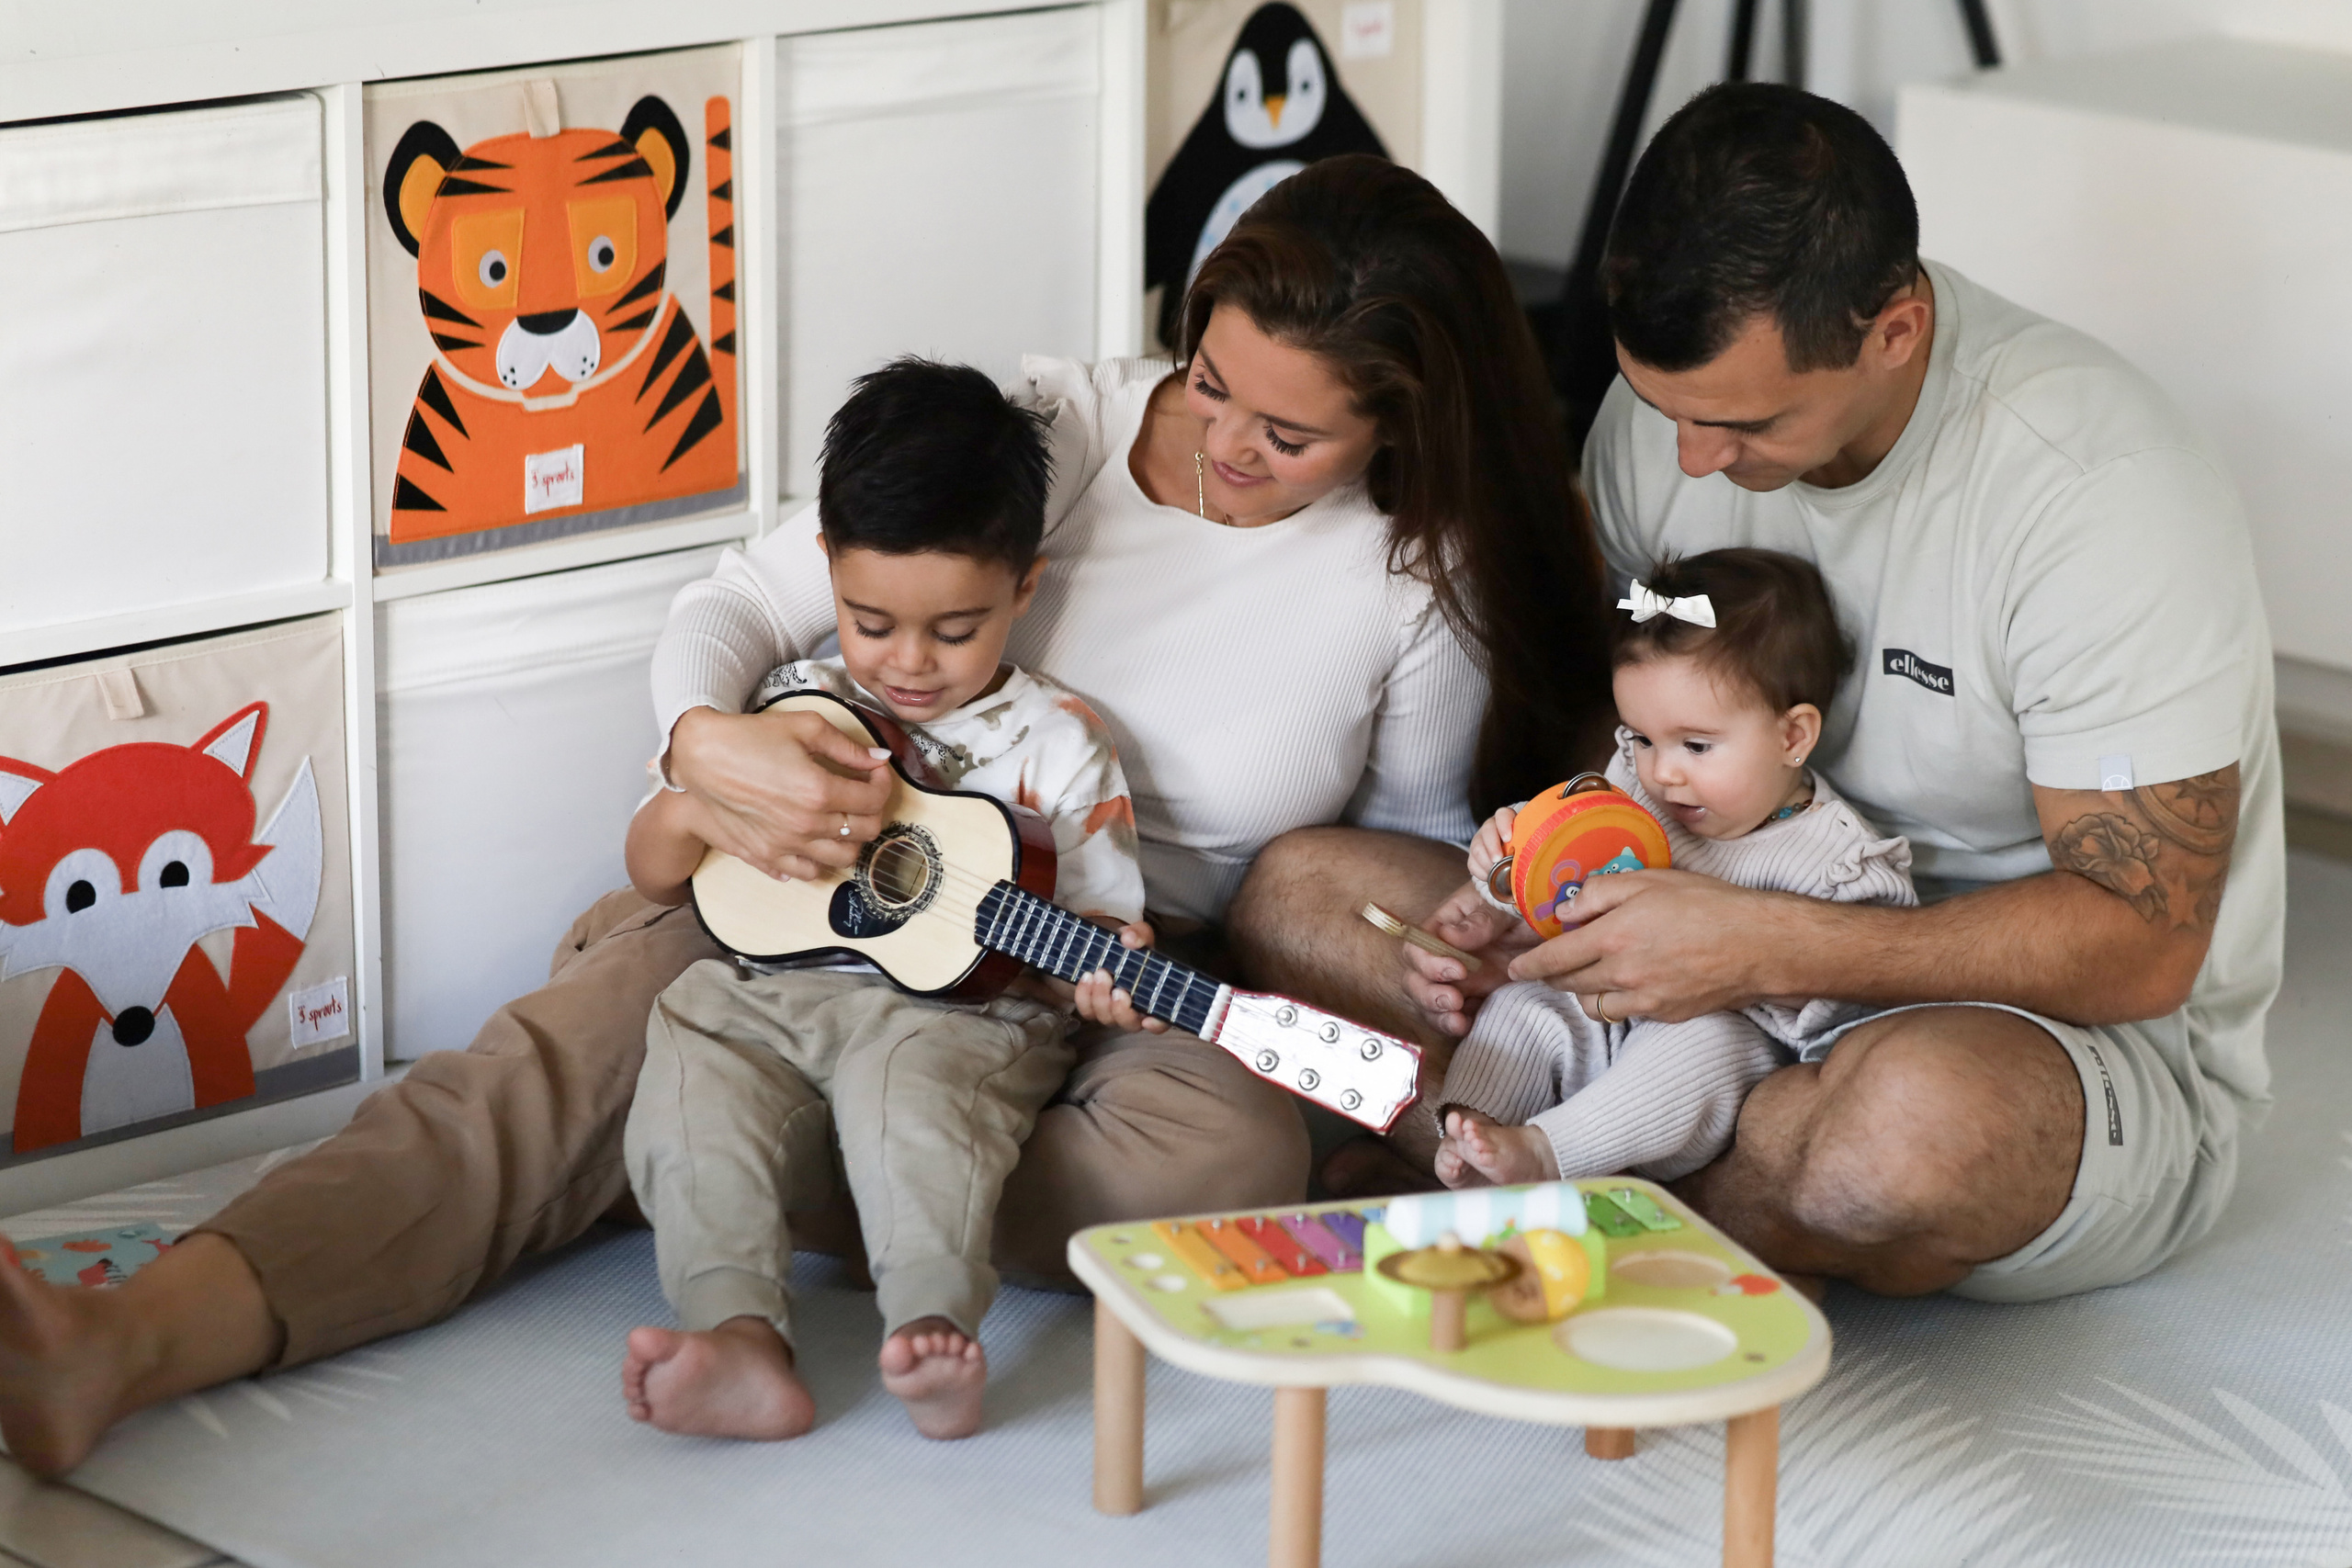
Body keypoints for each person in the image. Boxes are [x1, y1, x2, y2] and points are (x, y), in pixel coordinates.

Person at [0, 154, 1615, 1478]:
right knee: (557, 1057)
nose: (1223, 445)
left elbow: (1379, 863)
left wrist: (1415, 960)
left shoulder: (1419, 577)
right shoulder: (1048, 432)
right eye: (1210, 384)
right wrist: (711, 747)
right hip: (830, 898)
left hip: (1094, 961)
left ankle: (677, 1147)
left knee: (1229, 1151)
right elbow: (732, 605)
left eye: (1289, 431)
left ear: (1400, 422)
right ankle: (137, 1334)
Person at [1387, 83, 2284, 1302]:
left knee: (1901, 1138)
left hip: (2025, 1024)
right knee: (1312, 894)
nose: (1695, 460)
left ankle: (1509, 1182)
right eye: (1664, 407)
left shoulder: (2094, 493)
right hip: (1690, 928)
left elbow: (2140, 944)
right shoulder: (1669, 426)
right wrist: (1545, 868)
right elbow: (1636, 700)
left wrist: (1757, 945)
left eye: (1746, 422)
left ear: (1896, 331)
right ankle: (1604, 1165)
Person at [620, 358, 1156, 1442]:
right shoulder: (793, 706)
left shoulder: (1062, 743)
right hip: (775, 988)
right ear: (827, 573)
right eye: (870, 621)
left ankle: (929, 1325)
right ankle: (736, 1334)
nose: (908, 663)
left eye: (954, 631)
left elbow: (1092, 932)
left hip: (962, 1013)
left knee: (907, 1084)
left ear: (1024, 587)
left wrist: (1105, 972)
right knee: (688, 1034)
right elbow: (654, 860)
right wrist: (687, 808)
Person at [1431, 547, 1916, 1190]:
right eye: (1640, 736)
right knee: (1524, 1005)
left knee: (1698, 1045)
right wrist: (1503, 859)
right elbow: (1567, 840)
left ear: (1792, 736)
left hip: (1706, 1063)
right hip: (1605, 1011)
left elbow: (1867, 990)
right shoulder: (1638, 784)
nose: (1662, 770)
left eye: (1696, 745)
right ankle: (1473, 1135)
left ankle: (1548, 1152)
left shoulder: (1840, 864)